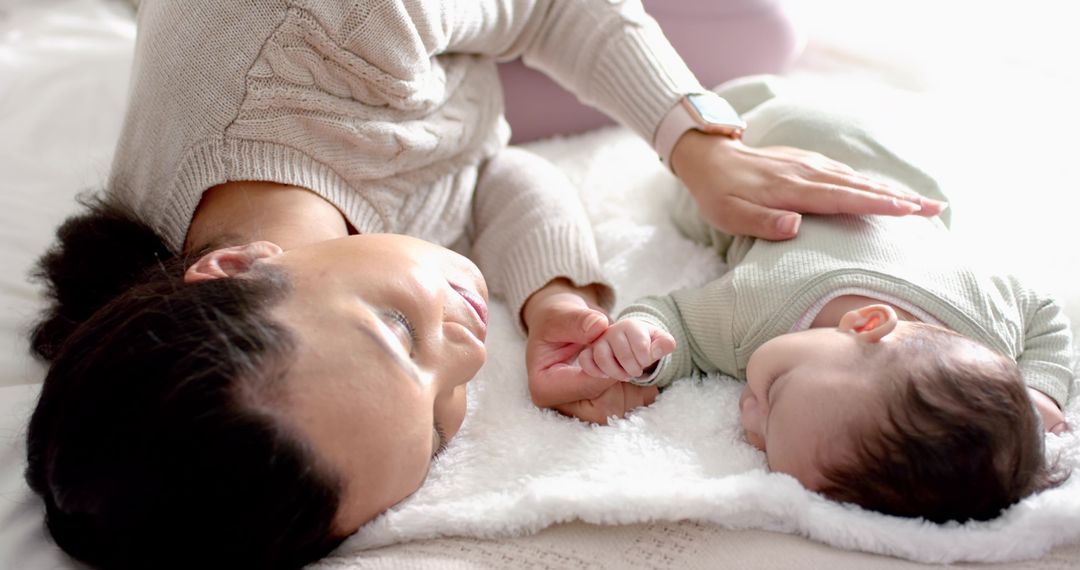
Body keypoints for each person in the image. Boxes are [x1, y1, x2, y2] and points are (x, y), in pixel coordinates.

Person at [26, 2, 943, 569]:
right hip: (437, 74)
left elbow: (548, 8)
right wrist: (552, 299)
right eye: (435, 422)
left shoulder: (329, 28)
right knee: (758, 31)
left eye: (399, 332)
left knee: (761, 27)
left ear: (234, 269)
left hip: (357, 33)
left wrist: (697, 146)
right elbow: (481, 173)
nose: (467, 351)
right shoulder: (301, 266)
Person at [577, 77, 1072, 523]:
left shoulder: (984, 336)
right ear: (864, 324)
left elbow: (1043, 313)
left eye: (764, 440)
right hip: (764, 145)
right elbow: (678, 321)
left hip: (893, 172)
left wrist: (641, 351)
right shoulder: (755, 314)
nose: (750, 415)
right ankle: (732, 103)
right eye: (778, 392)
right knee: (691, 204)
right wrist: (1044, 392)